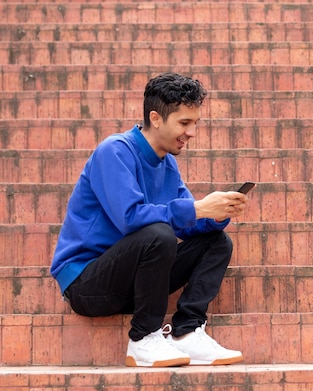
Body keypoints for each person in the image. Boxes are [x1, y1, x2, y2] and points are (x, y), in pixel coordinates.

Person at [50, 72, 250, 367]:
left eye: (195, 123)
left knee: (216, 242)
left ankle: (187, 332)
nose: (192, 132)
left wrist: (217, 213)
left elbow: (187, 219)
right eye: (184, 123)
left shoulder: (166, 163)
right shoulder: (114, 152)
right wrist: (197, 208)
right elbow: (130, 219)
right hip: (87, 284)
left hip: (133, 282)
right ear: (156, 118)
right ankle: (143, 339)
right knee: (158, 234)